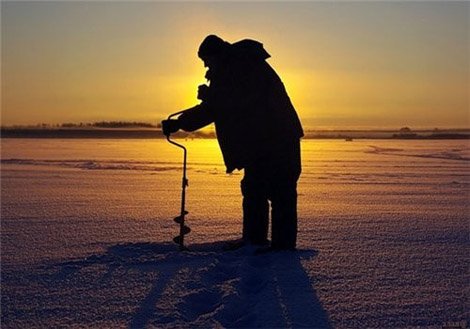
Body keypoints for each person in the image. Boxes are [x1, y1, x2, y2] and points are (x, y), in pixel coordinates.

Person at [162, 35, 303, 251]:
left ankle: (280, 250)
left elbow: (235, 103)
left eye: (206, 60)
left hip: (275, 141)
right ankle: (255, 242)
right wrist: (184, 121)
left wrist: (207, 101)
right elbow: (223, 104)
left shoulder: (242, 66)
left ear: (217, 55)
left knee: (279, 193)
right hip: (264, 143)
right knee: (256, 190)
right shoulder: (236, 68)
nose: (206, 65)